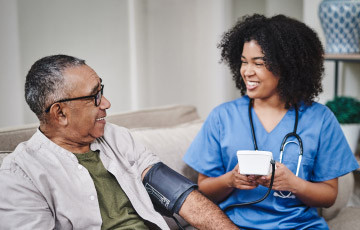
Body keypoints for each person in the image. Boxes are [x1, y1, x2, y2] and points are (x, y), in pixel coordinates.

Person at [0, 55, 239, 230]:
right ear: (60, 113)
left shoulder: (117, 137)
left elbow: (179, 195)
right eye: (95, 96)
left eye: (101, 91)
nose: (106, 103)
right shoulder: (19, 175)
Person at [183, 14, 359, 229]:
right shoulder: (222, 117)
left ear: (287, 66)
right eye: (243, 62)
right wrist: (230, 180)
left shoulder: (320, 119)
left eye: (258, 63)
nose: (247, 71)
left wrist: (294, 184)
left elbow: (328, 196)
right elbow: (203, 190)